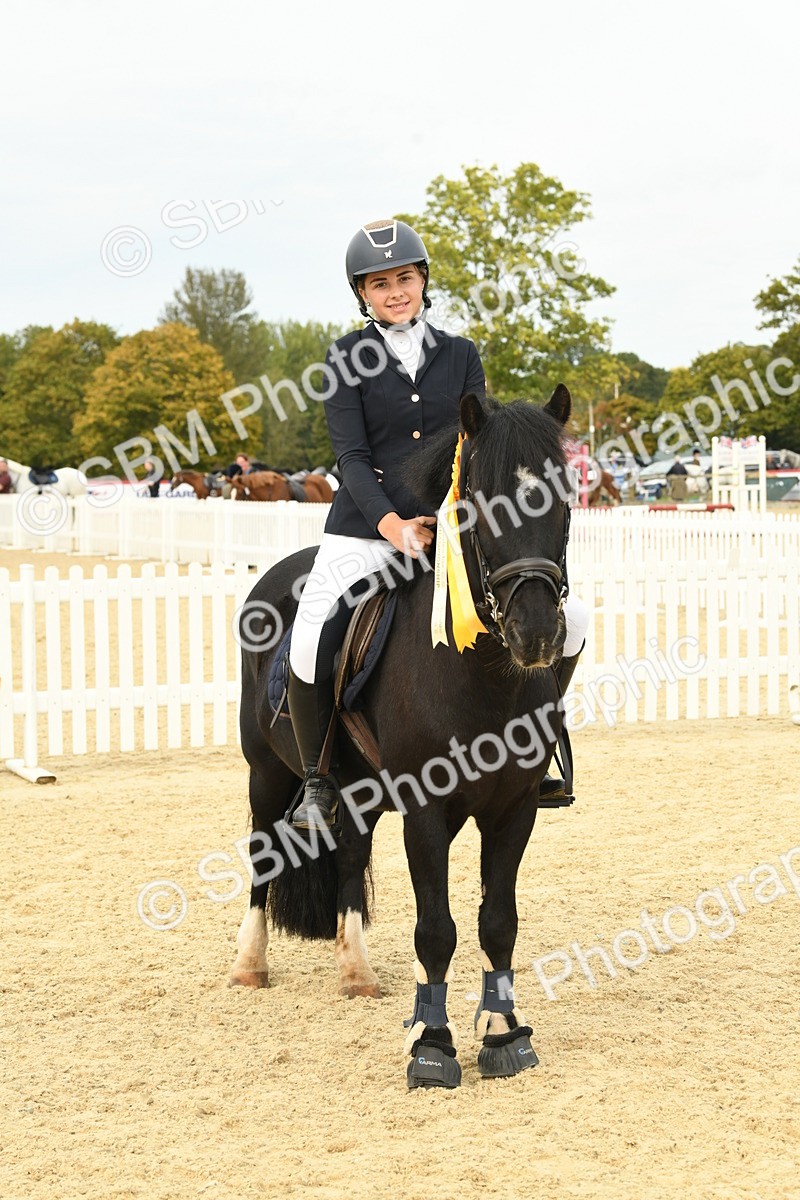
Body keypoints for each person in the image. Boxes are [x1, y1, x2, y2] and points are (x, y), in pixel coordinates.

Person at [286, 218, 588, 830]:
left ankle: (539, 748)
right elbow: (352, 458)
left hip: (448, 529)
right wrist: (392, 524)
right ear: (362, 294)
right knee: (313, 630)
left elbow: (476, 443)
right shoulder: (344, 358)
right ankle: (318, 780)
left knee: (574, 620)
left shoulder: (461, 354)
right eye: (380, 284)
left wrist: (457, 518)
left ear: (423, 280)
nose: (395, 292)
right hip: (366, 528)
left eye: (404, 278)